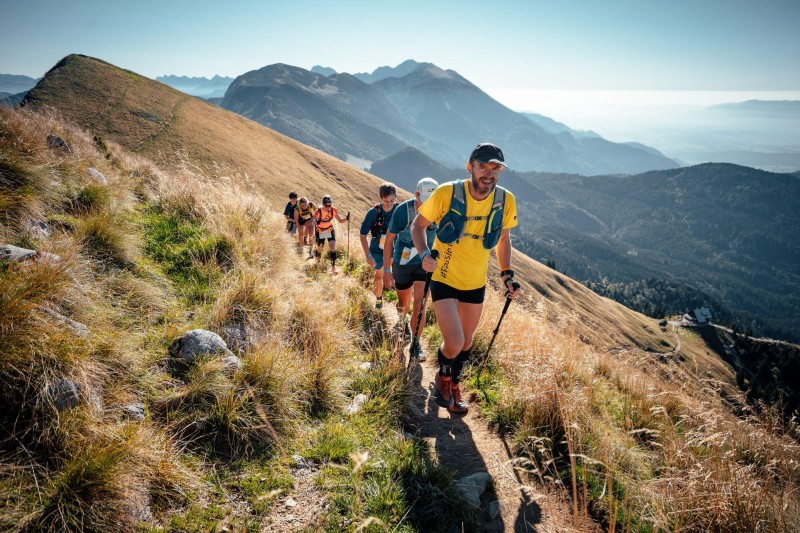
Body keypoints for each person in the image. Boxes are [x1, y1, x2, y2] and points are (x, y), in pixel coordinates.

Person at [411, 143, 520, 413]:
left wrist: (506, 274)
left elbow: (503, 239)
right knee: (455, 342)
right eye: (483, 166)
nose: (489, 173)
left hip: (475, 282)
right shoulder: (447, 193)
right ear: (470, 167)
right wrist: (424, 253)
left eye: (495, 168)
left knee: (467, 342)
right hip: (444, 276)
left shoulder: (505, 200)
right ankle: (443, 378)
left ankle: (454, 384)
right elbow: (418, 226)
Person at [383, 177, 439, 360]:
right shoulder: (403, 211)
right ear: (416, 195)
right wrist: (386, 270)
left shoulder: (440, 211)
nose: (429, 205)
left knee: (420, 304)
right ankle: (402, 320)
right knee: (403, 304)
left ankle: (416, 343)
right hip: (403, 262)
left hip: (425, 263)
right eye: (426, 200)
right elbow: (389, 240)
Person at [359, 182, 398, 309]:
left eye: (392, 201)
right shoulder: (373, 212)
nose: (389, 204)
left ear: (396, 198)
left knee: (398, 277)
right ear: (381, 198)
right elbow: (362, 235)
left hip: (395, 250)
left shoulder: (399, 211)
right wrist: (368, 255)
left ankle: (401, 305)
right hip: (377, 250)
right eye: (386, 201)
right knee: (380, 274)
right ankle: (379, 300)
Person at [314, 195, 349, 274]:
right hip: (320, 231)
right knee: (320, 249)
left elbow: (340, 220)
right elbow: (313, 221)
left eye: (330, 205)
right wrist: (315, 222)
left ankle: (333, 268)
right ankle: (318, 263)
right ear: (323, 204)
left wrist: (347, 218)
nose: (328, 207)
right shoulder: (318, 211)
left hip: (329, 230)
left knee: (332, 248)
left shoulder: (333, 210)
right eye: (326, 206)